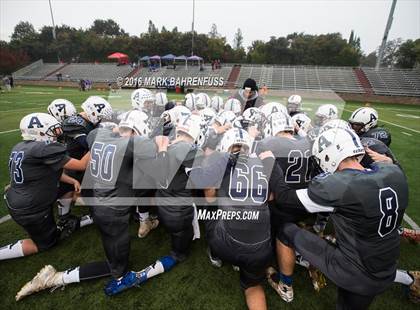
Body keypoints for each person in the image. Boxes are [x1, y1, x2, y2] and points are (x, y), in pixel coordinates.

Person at [259, 127, 411, 309]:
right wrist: (387, 162)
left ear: (329, 156)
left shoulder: (340, 186)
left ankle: (285, 284)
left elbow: (284, 198)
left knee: (286, 230)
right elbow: (387, 166)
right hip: (386, 267)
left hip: (354, 270)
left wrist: (270, 161)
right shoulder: (395, 173)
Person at [0, 113, 89, 261]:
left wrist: (71, 180)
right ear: (39, 132)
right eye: (52, 130)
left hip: (21, 196)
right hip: (31, 207)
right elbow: (81, 165)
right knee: (45, 244)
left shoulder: (21, 146)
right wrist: (99, 142)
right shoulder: (43, 148)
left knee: (67, 187)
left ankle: (64, 217)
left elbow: (45, 170)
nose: (56, 133)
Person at [203, 128, 272, 310]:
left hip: (226, 245)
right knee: (253, 286)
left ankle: (215, 255)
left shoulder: (220, 163)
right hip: (260, 249)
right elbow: (270, 197)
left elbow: (210, 197)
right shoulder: (264, 162)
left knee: (209, 212)